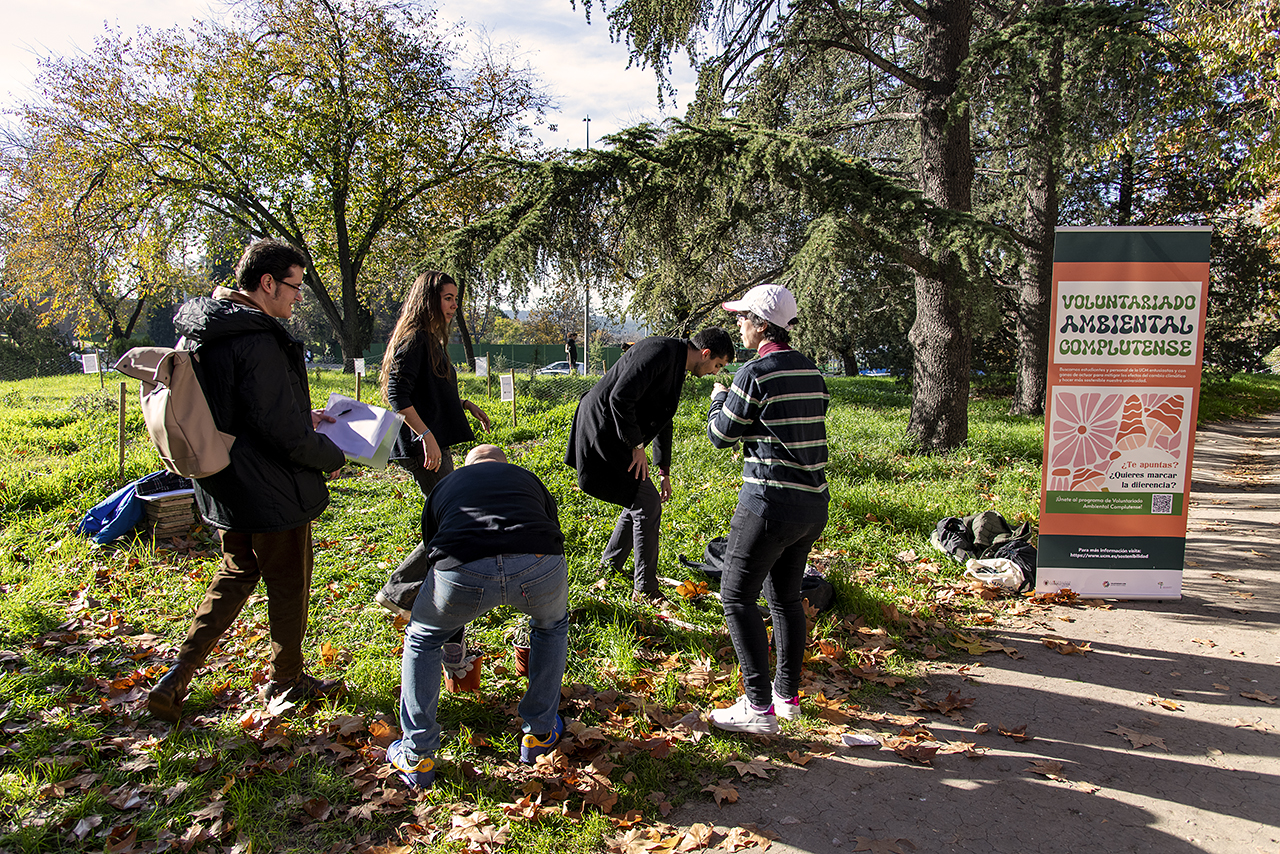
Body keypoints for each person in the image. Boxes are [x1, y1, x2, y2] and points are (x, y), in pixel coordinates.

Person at [147, 238, 348, 723]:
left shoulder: (203, 329)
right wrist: (329, 454)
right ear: (267, 283)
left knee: (236, 574)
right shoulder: (256, 337)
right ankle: (287, 680)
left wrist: (305, 416)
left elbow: (242, 409)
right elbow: (278, 429)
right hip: (271, 489)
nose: (299, 297)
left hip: (221, 479)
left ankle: (176, 676)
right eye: (295, 287)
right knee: (289, 584)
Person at [387, 445, 568, 788]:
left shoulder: (448, 483)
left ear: (467, 466)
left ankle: (417, 754)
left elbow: (432, 545)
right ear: (504, 464)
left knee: (423, 638)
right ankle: (539, 733)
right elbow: (551, 523)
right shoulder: (526, 477)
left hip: (462, 569)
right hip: (539, 563)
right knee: (551, 627)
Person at [704, 284, 829, 735]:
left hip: (768, 504)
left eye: (742, 318)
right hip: (812, 505)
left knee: (736, 596)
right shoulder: (811, 371)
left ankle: (758, 709)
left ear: (760, 324)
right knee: (786, 599)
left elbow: (722, 434)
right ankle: (786, 697)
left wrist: (719, 398)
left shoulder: (754, 373)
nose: (737, 324)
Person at [565, 328, 735, 603]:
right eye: (718, 365)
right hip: (603, 430)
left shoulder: (677, 361)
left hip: (619, 433)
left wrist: (663, 470)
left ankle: (609, 567)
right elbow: (619, 398)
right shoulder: (660, 351)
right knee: (646, 502)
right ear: (705, 354)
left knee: (638, 497)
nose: (716, 372)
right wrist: (637, 445)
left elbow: (663, 418)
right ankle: (645, 589)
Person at [375, 271, 491, 618]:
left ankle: (414, 588)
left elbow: (431, 391)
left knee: (448, 518)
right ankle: (400, 590)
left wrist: (467, 406)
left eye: (456, 298)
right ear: (428, 299)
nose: (454, 305)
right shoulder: (414, 339)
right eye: (447, 298)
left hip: (432, 442)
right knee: (451, 519)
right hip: (422, 446)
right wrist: (426, 437)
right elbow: (397, 395)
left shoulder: (429, 339)